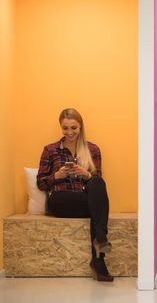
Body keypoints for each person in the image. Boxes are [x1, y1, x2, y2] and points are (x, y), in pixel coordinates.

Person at [37, 108, 113, 282]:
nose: (70, 132)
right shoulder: (50, 150)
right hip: (60, 200)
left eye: (74, 128)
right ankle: (100, 251)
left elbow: (97, 184)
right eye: (65, 128)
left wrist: (85, 174)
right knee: (98, 207)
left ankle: (99, 248)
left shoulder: (92, 149)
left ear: (81, 127)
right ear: (61, 128)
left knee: (97, 182)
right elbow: (41, 183)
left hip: (84, 200)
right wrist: (57, 175)